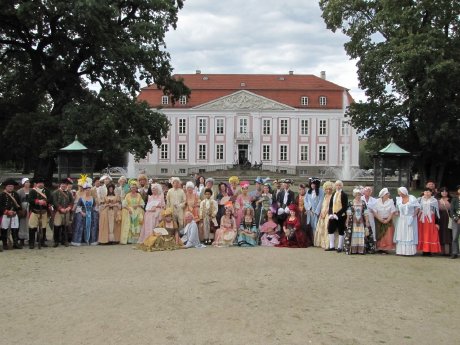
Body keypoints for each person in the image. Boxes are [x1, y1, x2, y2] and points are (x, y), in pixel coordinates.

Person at [345, 187, 372, 254]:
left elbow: (366, 213)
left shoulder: (363, 203)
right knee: (353, 235)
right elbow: (348, 213)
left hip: (361, 222)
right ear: (354, 195)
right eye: (357, 195)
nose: (358, 196)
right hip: (353, 222)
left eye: (359, 195)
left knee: (361, 235)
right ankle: (353, 250)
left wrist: (367, 221)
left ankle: (361, 250)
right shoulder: (351, 202)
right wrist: (347, 220)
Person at [71, 177, 98, 246]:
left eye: (89, 190)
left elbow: (95, 207)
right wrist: (82, 212)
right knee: (82, 227)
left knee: (91, 227)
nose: (87, 191)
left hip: (90, 214)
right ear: (85, 190)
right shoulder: (81, 198)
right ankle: (82, 240)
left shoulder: (92, 198)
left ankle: (90, 240)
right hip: (83, 214)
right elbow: (78, 206)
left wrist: (95, 212)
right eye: (86, 190)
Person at [394, 187, 420, 256]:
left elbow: (417, 207)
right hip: (402, 219)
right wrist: (397, 213)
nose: (399, 194)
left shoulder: (412, 198)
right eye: (399, 192)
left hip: (410, 218)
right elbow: (397, 209)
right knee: (401, 234)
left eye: (400, 192)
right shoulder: (399, 199)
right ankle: (400, 251)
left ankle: (409, 252)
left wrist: (413, 216)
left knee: (409, 234)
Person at [28, 177, 52, 249]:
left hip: (44, 212)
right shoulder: (33, 191)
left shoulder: (47, 191)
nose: (41, 184)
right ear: (36, 184)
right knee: (32, 227)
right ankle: (31, 243)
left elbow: (50, 199)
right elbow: (30, 200)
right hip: (35, 211)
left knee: (43, 227)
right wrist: (38, 201)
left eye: (42, 183)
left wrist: (45, 202)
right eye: (39, 183)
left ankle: (42, 241)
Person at [326, 180, 348, 252]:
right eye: (337, 185)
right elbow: (330, 205)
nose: (338, 186)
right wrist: (330, 213)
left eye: (339, 185)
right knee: (330, 229)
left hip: (341, 215)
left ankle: (340, 247)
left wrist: (337, 214)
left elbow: (345, 207)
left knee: (341, 230)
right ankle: (332, 246)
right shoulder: (334, 194)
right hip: (333, 215)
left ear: (342, 186)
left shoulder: (344, 194)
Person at [120, 179, 145, 244]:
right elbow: (124, 204)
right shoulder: (128, 195)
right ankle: (130, 239)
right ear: (130, 188)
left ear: (136, 188)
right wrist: (129, 209)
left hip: (137, 211)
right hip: (130, 211)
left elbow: (142, 204)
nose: (133, 189)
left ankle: (136, 239)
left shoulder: (139, 195)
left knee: (137, 224)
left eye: (134, 187)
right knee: (131, 225)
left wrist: (137, 205)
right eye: (132, 187)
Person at [417, 188, 441, 256]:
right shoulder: (419, 199)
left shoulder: (434, 201)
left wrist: (437, 223)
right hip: (421, 219)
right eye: (426, 192)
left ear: (431, 193)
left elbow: (437, 212)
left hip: (431, 219)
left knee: (430, 234)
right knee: (422, 234)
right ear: (423, 192)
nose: (427, 193)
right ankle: (424, 250)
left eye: (429, 192)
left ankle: (429, 250)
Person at [372, 188, 396, 254]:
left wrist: (387, 220)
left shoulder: (390, 201)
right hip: (379, 220)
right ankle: (379, 247)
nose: (388, 195)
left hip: (388, 220)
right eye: (386, 194)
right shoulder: (377, 201)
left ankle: (386, 248)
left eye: (388, 194)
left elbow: (392, 212)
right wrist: (380, 219)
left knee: (387, 234)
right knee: (379, 234)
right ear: (383, 195)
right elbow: (374, 212)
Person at [0, 179, 22, 250]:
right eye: (9, 186)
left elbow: (18, 204)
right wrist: (6, 211)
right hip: (5, 215)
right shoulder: (2, 195)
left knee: (15, 229)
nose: (10, 187)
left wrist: (16, 211)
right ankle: (5, 244)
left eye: (12, 186)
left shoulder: (15, 194)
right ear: (6, 187)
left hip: (14, 214)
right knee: (4, 229)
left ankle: (15, 243)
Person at [51, 179, 73, 247]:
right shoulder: (55, 192)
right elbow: (55, 202)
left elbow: (71, 201)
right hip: (58, 212)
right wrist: (60, 208)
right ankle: (56, 241)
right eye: (62, 184)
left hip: (66, 211)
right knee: (57, 226)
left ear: (67, 185)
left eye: (65, 184)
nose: (63, 185)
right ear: (60, 185)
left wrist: (69, 208)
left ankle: (64, 241)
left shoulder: (69, 193)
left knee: (65, 227)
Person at [314, 181, 334, 249]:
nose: (328, 191)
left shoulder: (332, 196)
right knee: (321, 228)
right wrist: (321, 212)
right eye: (327, 189)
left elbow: (330, 206)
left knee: (327, 227)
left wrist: (325, 213)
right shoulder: (325, 196)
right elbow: (323, 205)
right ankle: (322, 243)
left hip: (328, 213)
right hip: (322, 213)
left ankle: (327, 244)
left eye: (330, 189)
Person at [304, 177, 324, 242]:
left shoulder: (321, 191)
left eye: (314, 184)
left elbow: (321, 201)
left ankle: (317, 241)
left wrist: (316, 211)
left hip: (316, 211)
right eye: (311, 184)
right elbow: (305, 200)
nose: (312, 185)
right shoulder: (308, 191)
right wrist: (309, 208)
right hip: (310, 211)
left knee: (317, 226)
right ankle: (312, 240)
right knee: (311, 225)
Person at [437, 187, 452, 256]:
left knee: (449, 234)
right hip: (441, 219)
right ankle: (442, 251)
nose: (444, 192)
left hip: (450, 219)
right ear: (440, 192)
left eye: (446, 191)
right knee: (441, 234)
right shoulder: (437, 200)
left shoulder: (451, 200)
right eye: (442, 191)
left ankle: (449, 251)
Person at [16, 177, 31, 247]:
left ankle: (30, 238)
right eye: (26, 182)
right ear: (23, 183)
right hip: (23, 209)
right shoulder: (19, 191)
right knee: (22, 223)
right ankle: (21, 239)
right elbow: (17, 201)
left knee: (30, 223)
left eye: (28, 182)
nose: (28, 183)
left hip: (30, 209)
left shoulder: (32, 190)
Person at [450, 186, 460, 259]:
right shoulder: (454, 199)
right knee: (455, 237)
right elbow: (451, 210)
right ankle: (455, 253)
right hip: (456, 220)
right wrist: (456, 218)